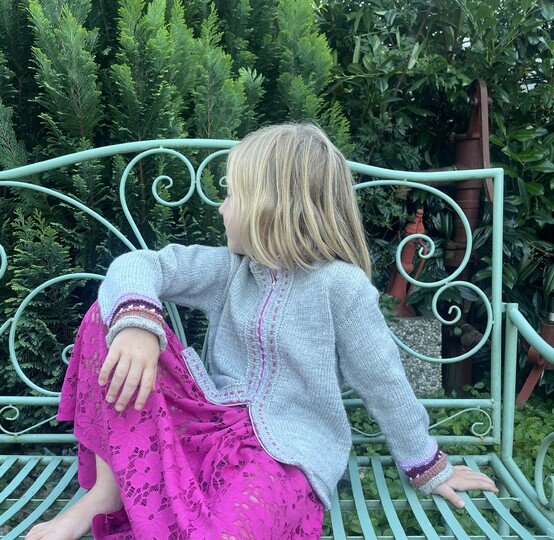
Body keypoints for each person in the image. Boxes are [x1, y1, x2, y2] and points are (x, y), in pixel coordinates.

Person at [25, 123, 498, 540]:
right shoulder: (231, 270)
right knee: (109, 315)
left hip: (281, 459)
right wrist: (138, 326)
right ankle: (105, 493)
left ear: (270, 206)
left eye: (231, 195)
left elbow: (384, 383)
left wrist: (428, 466)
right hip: (206, 424)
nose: (221, 208)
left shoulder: (342, 288)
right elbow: (139, 265)